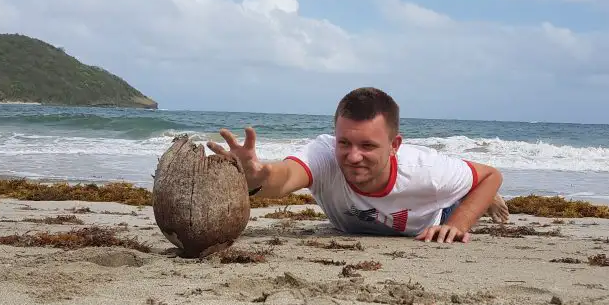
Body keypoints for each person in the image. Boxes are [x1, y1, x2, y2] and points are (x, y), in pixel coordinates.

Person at [207, 87, 510, 244]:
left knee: (472, 186)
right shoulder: (324, 155)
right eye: (344, 143)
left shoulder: (428, 172)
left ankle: (472, 195)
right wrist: (256, 175)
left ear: (394, 146)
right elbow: (284, 178)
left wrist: (457, 225)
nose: (352, 157)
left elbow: (492, 174)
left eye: (367, 146)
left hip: (437, 209)